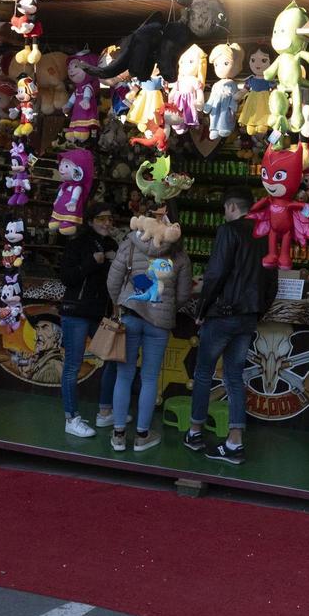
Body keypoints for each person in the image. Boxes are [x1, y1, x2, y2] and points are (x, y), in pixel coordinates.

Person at [191, 188, 275, 464]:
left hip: (223, 312)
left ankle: (195, 431)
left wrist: (201, 309)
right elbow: (271, 280)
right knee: (234, 377)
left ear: (230, 208)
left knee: (204, 373)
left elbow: (216, 272)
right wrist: (258, 310)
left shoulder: (229, 231)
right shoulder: (265, 234)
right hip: (248, 316)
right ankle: (234, 440)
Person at [105, 206, 192, 452]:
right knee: (150, 378)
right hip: (160, 323)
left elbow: (113, 281)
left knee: (124, 376)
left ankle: (119, 434)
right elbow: (184, 295)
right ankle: (142, 435)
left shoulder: (130, 244)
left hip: (130, 314)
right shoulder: (180, 255)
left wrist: (120, 301)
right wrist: (166, 307)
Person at [58, 203, 119, 437]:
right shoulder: (78, 244)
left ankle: (105, 412)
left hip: (99, 313)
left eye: (110, 219)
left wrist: (115, 260)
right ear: (91, 221)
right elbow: (67, 277)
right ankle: (71, 418)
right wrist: (92, 262)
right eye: (102, 218)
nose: (107, 223)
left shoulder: (113, 245)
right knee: (73, 366)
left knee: (112, 358)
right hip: (76, 311)